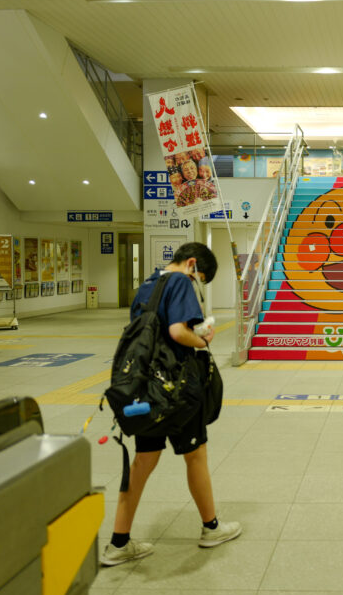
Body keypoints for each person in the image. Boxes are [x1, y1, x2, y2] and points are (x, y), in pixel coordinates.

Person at [100, 242, 241, 566]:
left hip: (147, 390)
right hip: (176, 391)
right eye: (199, 278)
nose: (197, 284)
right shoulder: (179, 281)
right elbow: (178, 332)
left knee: (143, 461)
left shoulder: (148, 285)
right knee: (196, 455)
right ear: (191, 264)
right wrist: (203, 339)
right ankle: (211, 528)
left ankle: (119, 543)